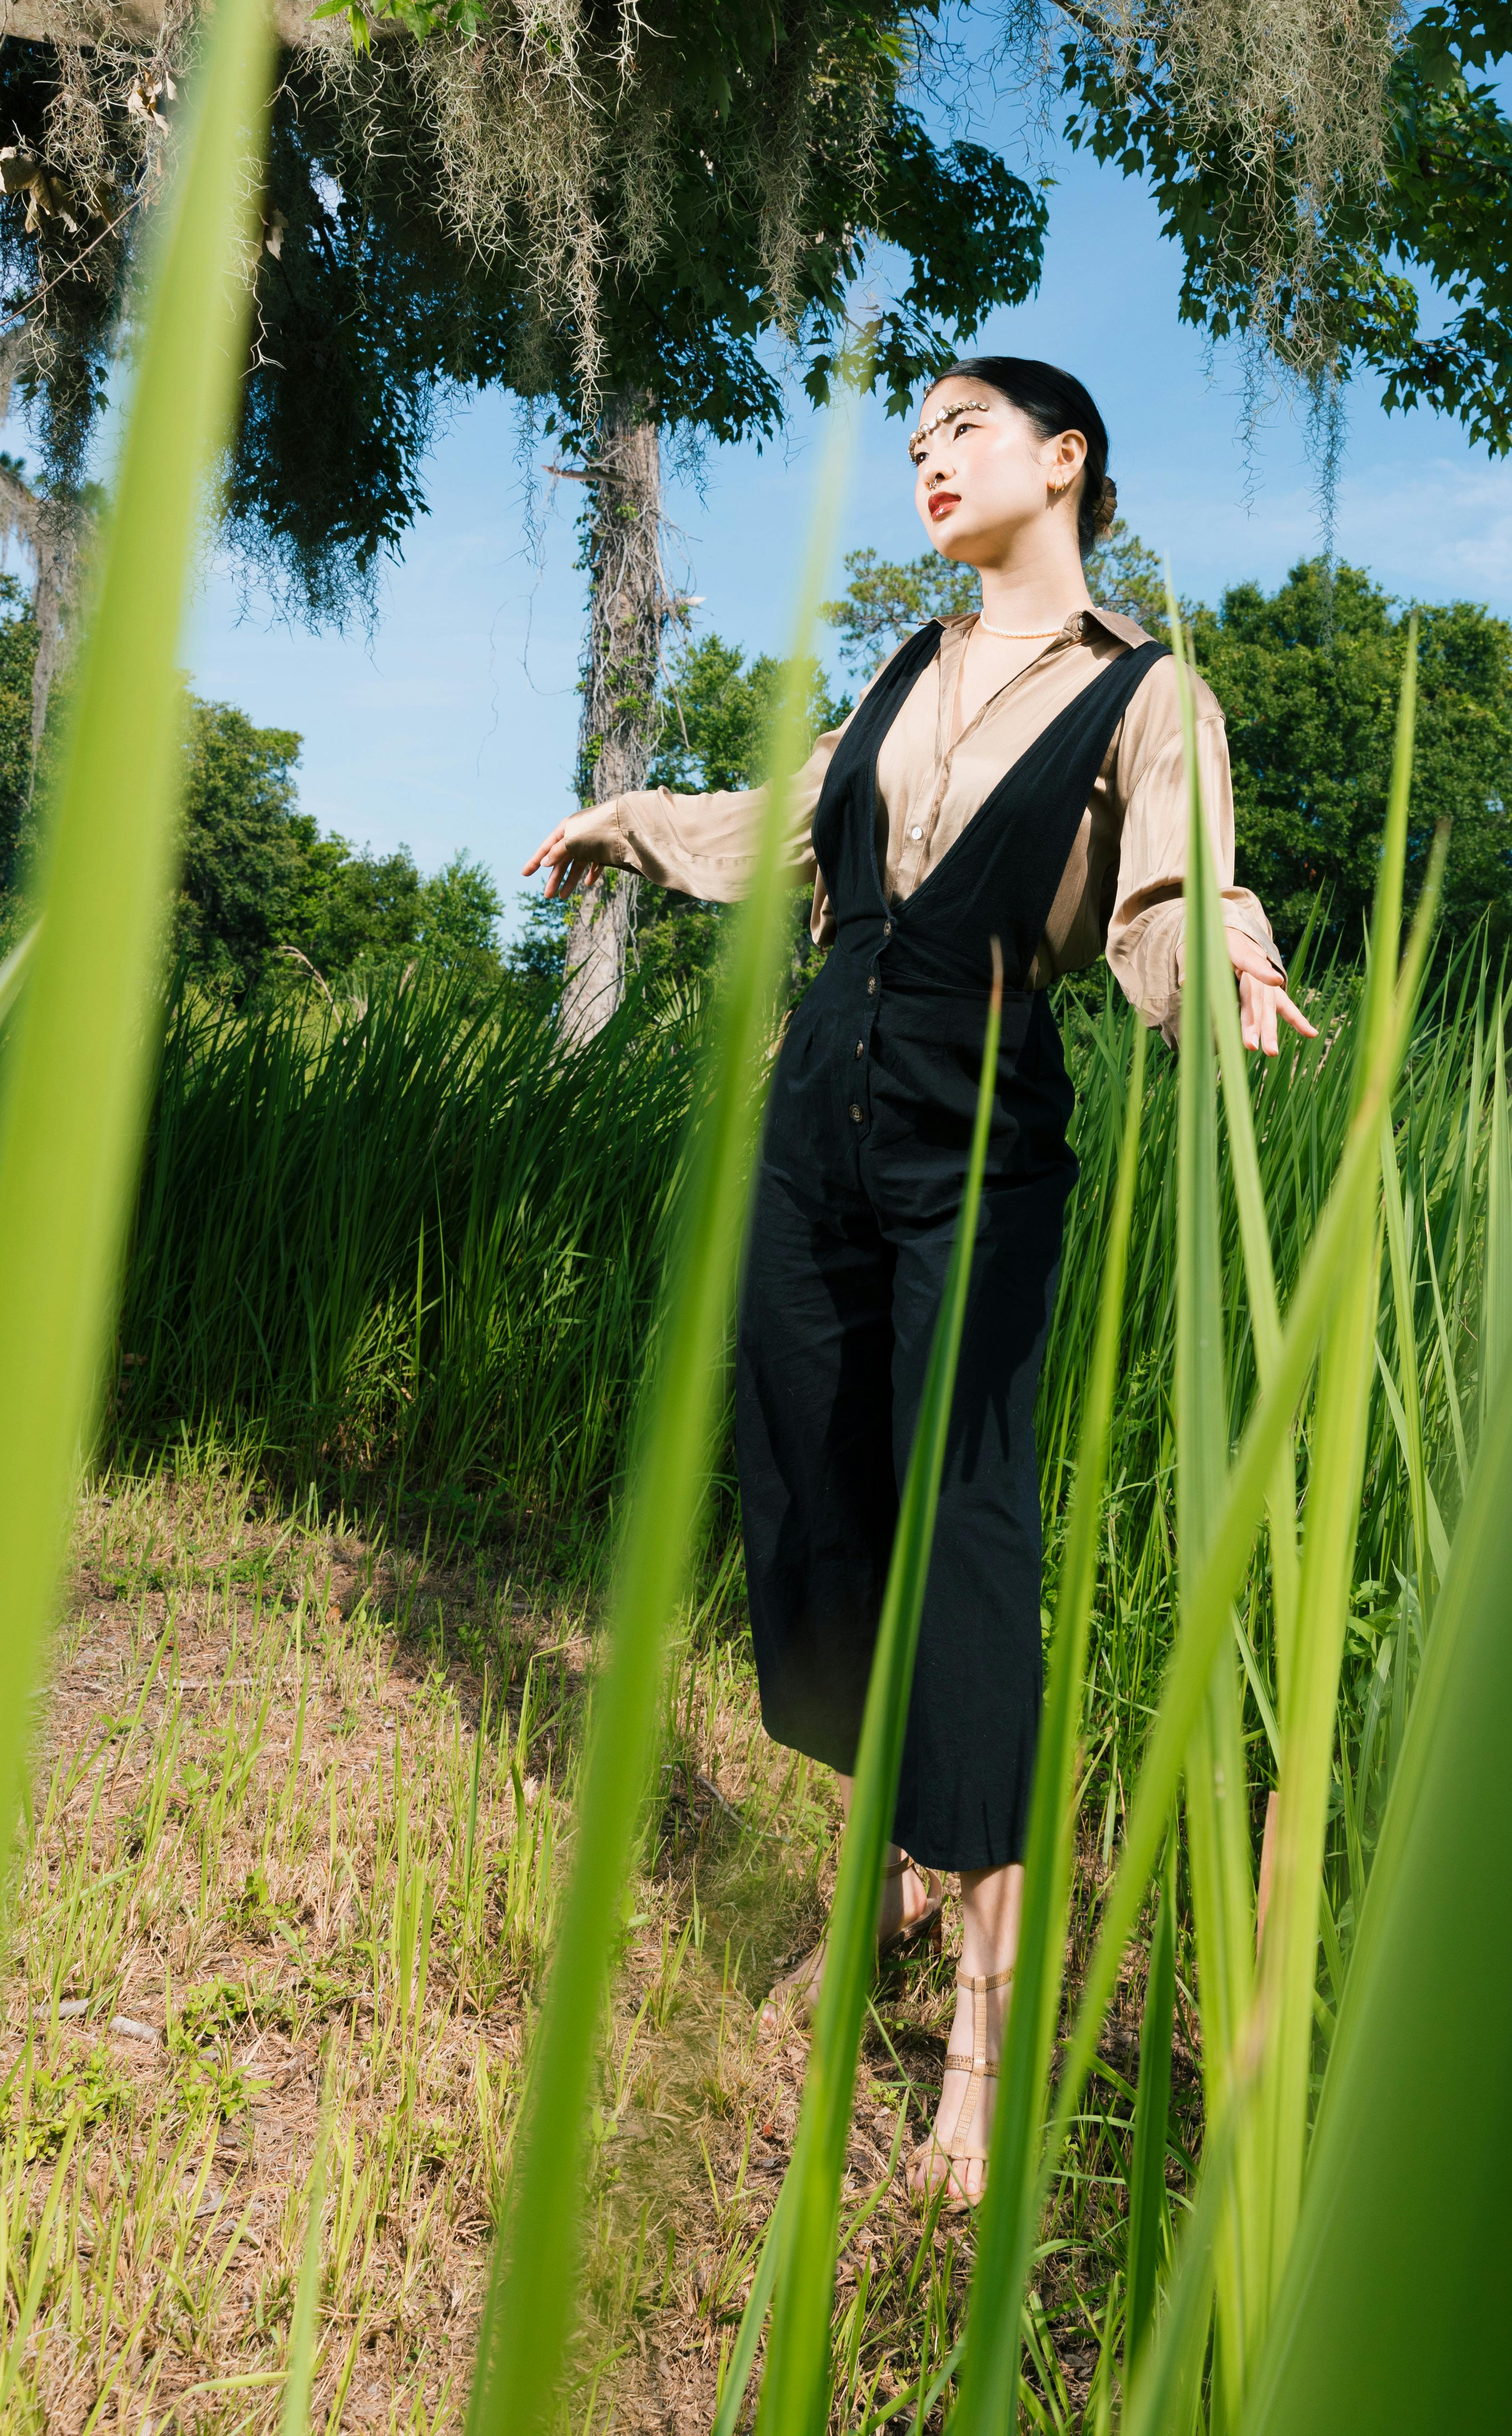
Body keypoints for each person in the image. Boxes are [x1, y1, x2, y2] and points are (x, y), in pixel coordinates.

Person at [523, 357, 1315, 2204]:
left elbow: (1170, 894)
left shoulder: (1146, 691)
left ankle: (979, 2032)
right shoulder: (897, 672)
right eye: (912, 445)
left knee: (962, 1550)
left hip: (979, 1132)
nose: (928, 461)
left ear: (1066, 458)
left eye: (961, 430)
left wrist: (1231, 969)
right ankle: (879, 1865)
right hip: (815, 1119)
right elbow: (779, 828)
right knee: (813, 1502)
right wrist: (621, 823)